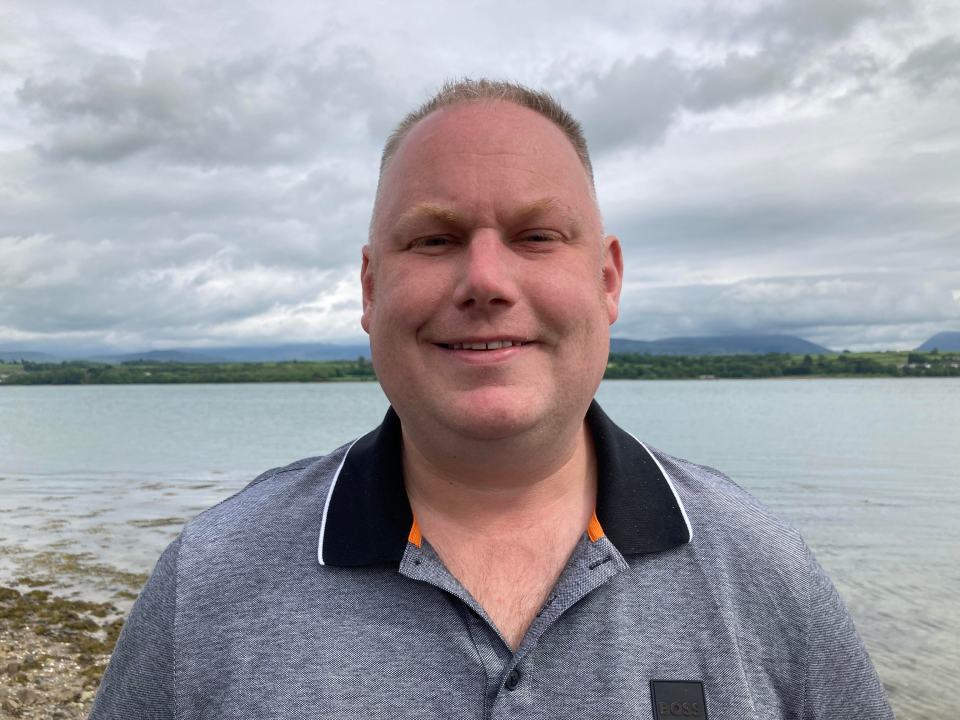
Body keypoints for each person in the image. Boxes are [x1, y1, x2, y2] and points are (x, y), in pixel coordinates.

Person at [90, 79, 893, 719]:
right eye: (434, 239)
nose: (485, 281)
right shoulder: (213, 579)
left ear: (606, 280)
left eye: (537, 236)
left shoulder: (760, 568)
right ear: (371, 289)